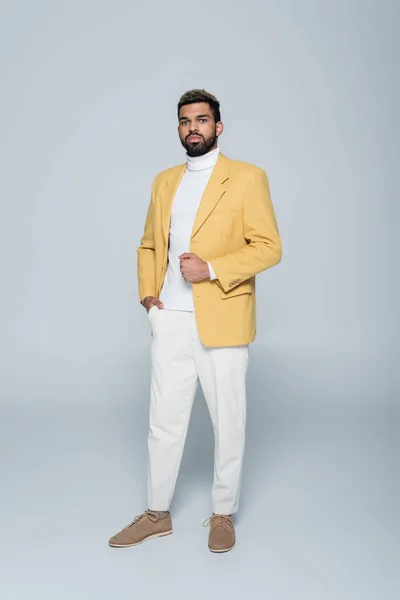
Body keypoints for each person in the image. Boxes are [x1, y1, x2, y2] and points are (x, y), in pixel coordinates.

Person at [108, 89, 282, 553]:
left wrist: (213, 268)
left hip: (222, 315)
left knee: (229, 419)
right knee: (163, 419)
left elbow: (268, 246)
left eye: (202, 120)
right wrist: (149, 294)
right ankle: (156, 512)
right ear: (179, 128)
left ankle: (222, 514)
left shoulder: (247, 178)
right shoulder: (165, 180)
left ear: (218, 127)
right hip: (170, 319)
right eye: (185, 121)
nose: (193, 128)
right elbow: (149, 243)